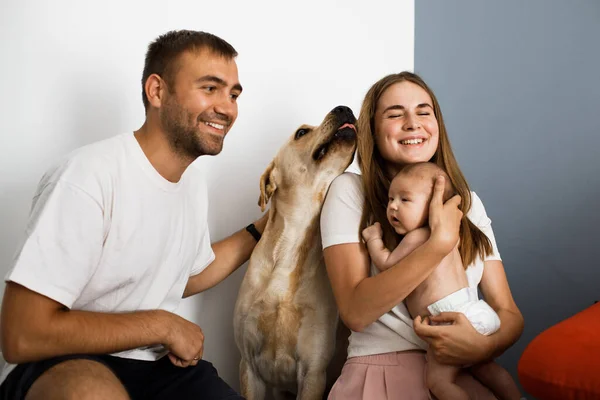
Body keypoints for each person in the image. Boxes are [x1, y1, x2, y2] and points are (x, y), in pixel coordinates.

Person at [0, 30, 267, 400]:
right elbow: (22, 334)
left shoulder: (192, 186)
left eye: (234, 94)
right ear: (156, 91)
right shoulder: (88, 175)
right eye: (210, 88)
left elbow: (184, 275)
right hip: (62, 362)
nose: (227, 107)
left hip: (155, 369)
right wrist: (160, 325)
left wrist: (267, 226)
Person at [321, 71, 524, 399]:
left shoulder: (467, 203)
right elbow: (356, 312)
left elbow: (509, 313)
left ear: (437, 125)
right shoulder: (350, 191)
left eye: (423, 111)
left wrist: (481, 347)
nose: (412, 123)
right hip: (382, 372)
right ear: (372, 129)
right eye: (395, 113)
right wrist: (438, 244)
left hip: (464, 367)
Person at [362, 162, 522, 400]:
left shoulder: (418, 237)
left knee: (437, 382)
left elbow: (387, 263)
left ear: (432, 207)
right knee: (486, 369)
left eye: (405, 200)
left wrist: (373, 238)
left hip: (448, 319)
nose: (393, 206)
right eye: (391, 199)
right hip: (475, 311)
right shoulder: (453, 235)